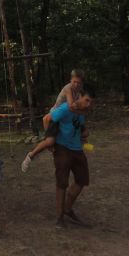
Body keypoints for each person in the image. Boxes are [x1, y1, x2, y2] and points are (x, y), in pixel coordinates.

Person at [50, 84, 96, 227]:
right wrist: (49, 141)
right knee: (62, 183)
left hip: (76, 148)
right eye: (87, 100)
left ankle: (67, 209)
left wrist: (84, 132)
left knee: (82, 179)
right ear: (79, 97)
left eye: (91, 102)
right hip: (62, 148)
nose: (89, 105)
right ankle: (59, 218)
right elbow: (48, 119)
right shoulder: (65, 108)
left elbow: (79, 126)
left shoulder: (81, 113)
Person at [21, 69, 85, 172]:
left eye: (79, 82)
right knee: (49, 142)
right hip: (55, 116)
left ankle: (66, 161)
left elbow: (80, 106)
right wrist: (82, 110)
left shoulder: (79, 92)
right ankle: (30, 156)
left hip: (66, 118)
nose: (76, 84)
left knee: (76, 136)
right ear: (70, 80)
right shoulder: (68, 88)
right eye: (74, 82)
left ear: (82, 83)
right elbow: (71, 106)